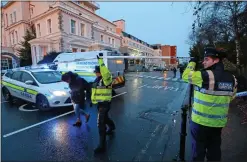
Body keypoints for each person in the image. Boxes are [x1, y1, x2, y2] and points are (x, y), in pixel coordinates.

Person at [182, 47, 237, 161]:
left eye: (206, 59)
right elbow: (231, 97)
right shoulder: (232, 78)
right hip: (218, 124)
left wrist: (192, 62)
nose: (203, 62)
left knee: (197, 153)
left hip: (199, 123)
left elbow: (185, 75)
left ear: (216, 60)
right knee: (214, 152)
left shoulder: (205, 75)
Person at [91, 53, 116, 154]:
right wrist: (92, 101)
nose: (95, 73)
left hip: (104, 104)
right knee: (105, 118)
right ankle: (112, 127)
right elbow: (95, 91)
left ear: (100, 72)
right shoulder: (97, 80)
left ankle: (101, 146)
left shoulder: (106, 79)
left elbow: (105, 72)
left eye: (96, 72)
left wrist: (100, 61)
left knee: (100, 124)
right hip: (100, 104)